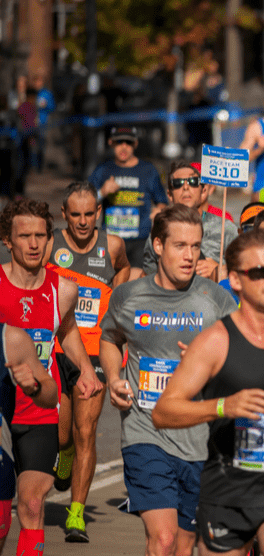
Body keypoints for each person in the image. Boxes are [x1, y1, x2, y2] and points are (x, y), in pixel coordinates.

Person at [151, 229, 264, 556]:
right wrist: (223, 406)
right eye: (259, 272)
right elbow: (164, 412)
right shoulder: (214, 342)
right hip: (228, 490)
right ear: (235, 280)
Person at [100, 204, 237, 556]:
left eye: (196, 246)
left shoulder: (216, 300)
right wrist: (114, 377)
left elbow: (242, 361)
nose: (191, 255)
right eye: (180, 246)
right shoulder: (129, 296)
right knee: (162, 540)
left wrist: (208, 361)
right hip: (145, 433)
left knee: (184, 544)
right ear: (158, 246)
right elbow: (110, 339)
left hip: (200, 440)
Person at [1, 198, 104, 556]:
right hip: (1, 412)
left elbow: (68, 331)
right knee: (1, 517)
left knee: (31, 504)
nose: (33, 244)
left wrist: (87, 370)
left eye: (40, 236)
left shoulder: (63, 289)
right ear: (7, 241)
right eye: (24, 236)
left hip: (40, 410)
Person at [48, 182, 130, 542]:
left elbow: (123, 269)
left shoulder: (112, 245)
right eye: (75, 215)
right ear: (64, 215)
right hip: (57, 347)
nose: (83, 222)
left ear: (99, 213)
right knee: (62, 432)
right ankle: (62, 453)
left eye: (89, 214)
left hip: (94, 349)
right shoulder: (51, 244)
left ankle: (76, 513)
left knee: (86, 430)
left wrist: (115, 303)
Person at [0, 322, 59, 554]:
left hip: (35, 421)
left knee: (33, 504)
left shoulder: (11, 338)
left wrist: (33, 387)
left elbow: (49, 391)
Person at [87, 126, 169, 267]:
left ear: (135, 144)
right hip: (110, 241)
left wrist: (159, 212)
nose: (124, 147)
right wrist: (102, 192)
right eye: (119, 142)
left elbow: (162, 202)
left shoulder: (148, 170)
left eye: (128, 142)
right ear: (110, 143)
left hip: (140, 241)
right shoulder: (102, 170)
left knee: (138, 283)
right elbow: (83, 203)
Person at [143, 162, 239, 280]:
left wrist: (220, 270)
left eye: (193, 182)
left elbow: (246, 268)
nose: (186, 187)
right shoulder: (158, 232)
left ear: (203, 192)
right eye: (178, 183)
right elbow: (148, 278)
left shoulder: (225, 228)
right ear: (169, 195)